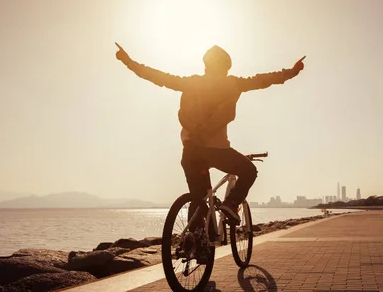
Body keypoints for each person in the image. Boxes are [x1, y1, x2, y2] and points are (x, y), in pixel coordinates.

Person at [115, 43, 305, 225]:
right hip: (216, 150)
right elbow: (263, 80)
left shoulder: (192, 83)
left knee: (199, 199)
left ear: (206, 65)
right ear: (226, 67)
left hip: (190, 151)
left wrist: (128, 61)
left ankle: (195, 244)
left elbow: (158, 77)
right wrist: (292, 72)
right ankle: (231, 204)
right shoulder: (232, 84)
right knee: (249, 171)